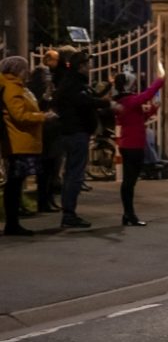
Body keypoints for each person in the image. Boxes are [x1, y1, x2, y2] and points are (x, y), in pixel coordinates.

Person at [2, 56, 57, 236]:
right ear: (17, 70)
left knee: (16, 183)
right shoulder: (12, 88)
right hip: (19, 142)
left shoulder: (19, 87)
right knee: (14, 184)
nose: (27, 72)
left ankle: (13, 222)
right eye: (24, 68)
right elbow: (19, 115)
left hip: (23, 141)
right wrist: (42, 117)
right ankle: (12, 223)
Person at [54, 51, 110, 229]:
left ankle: (69, 212)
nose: (90, 68)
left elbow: (91, 98)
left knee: (73, 173)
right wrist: (107, 103)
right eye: (87, 65)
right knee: (74, 175)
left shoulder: (74, 82)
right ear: (81, 66)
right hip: (75, 133)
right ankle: (69, 214)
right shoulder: (73, 84)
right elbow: (85, 101)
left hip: (75, 133)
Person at [113, 71, 165, 226]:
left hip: (131, 144)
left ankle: (128, 214)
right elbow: (147, 94)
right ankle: (129, 214)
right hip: (132, 145)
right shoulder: (128, 100)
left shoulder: (125, 101)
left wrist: (153, 110)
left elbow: (138, 118)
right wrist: (160, 81)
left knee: (130, 181)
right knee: (129, 182)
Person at [27, 50, 61, 212]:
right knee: (46, 166)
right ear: (47, 60)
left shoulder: (50, 77)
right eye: (55, 60)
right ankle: (44, 200)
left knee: (52, 165)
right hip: (45, 127)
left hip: (51, 127)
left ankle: (48, 198)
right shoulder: (40, 73)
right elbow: (39, 100)